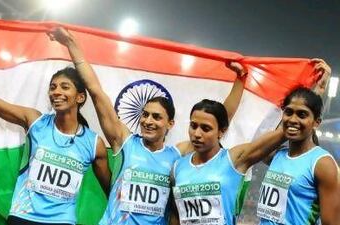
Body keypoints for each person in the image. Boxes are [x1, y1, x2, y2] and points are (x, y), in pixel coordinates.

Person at [48, 27, 247, 225]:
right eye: (145, 115)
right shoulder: (124, 142)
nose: (148, 121)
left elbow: (218, 118)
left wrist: (240, 80)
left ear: (170, 124)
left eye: (156, 117)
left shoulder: (177, 155)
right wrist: (72, 45)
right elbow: (95, 91)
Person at [0, 45, 110, 225]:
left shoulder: (93, 144)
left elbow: (111, 191)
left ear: (80, 97)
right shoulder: (35, 122)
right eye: (52, 87)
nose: (56, 92)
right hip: (23, 217)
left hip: (62, 221)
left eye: (64, 87)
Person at [170, 97, 284, 225]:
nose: (197, 133)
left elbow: (279, 135)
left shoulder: (233, 159)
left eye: (205, 128)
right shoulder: (177, 167)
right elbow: (176, 215)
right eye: (193, 126)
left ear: (221, 131)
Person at [257, 87, 339, 225]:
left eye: (302, 115)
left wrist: (317, 93)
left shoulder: (322, 164)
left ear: (316, 122)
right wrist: (315, 88)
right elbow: (270, 141)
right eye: (288, 112)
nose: (293, 119)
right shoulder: (276, 155)